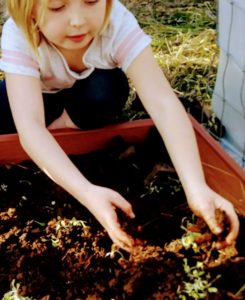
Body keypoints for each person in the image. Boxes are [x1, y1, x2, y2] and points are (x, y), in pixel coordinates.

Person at [0, 0, 239, 252]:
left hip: (87, 93)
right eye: (58, 7)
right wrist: (88, 193)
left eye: (91, 1)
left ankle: (64, 126)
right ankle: (56, 133)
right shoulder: (19, 33)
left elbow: (164, 103)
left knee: (107, 88)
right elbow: (30, 126)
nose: (78, 20)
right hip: (34, 94)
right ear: (28, 10)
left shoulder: (115, 23)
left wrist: (196, 187)